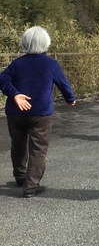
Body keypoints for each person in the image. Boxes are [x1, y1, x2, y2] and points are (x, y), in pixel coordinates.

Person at [0, 26, 76, 198]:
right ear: (46, 43)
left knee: (18, 144)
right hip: (40, 113)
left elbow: (2, 79)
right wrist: (70, 99)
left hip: (15, 112)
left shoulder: (17, 63)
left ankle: (20, 177)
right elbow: (63, 84)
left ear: (25, 43)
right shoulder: (51, 64)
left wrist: (16, 94)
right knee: (38, 149)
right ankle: (30, 186)